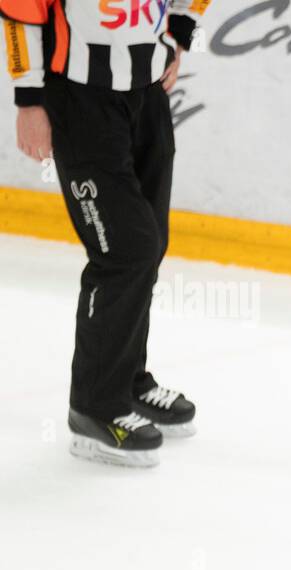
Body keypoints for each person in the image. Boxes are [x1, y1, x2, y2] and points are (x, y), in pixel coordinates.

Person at [4, 0, 208, 468]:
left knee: (149, 242)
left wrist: (179, 31)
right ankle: (94, 407)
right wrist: (29, 100)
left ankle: (127, 383)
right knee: (125, 251)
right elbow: (21, 12)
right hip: (81, 101)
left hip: (147, 95)